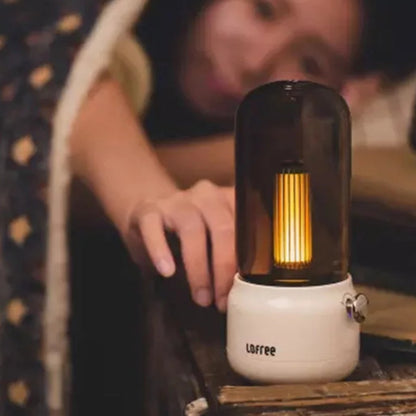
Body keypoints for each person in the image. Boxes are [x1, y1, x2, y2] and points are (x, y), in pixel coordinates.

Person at [70, 0, 416, 313]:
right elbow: (62, 177)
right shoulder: (112, 43)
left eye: (310, 62)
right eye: (263, 10)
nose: (256, 62)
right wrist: (268, 149)